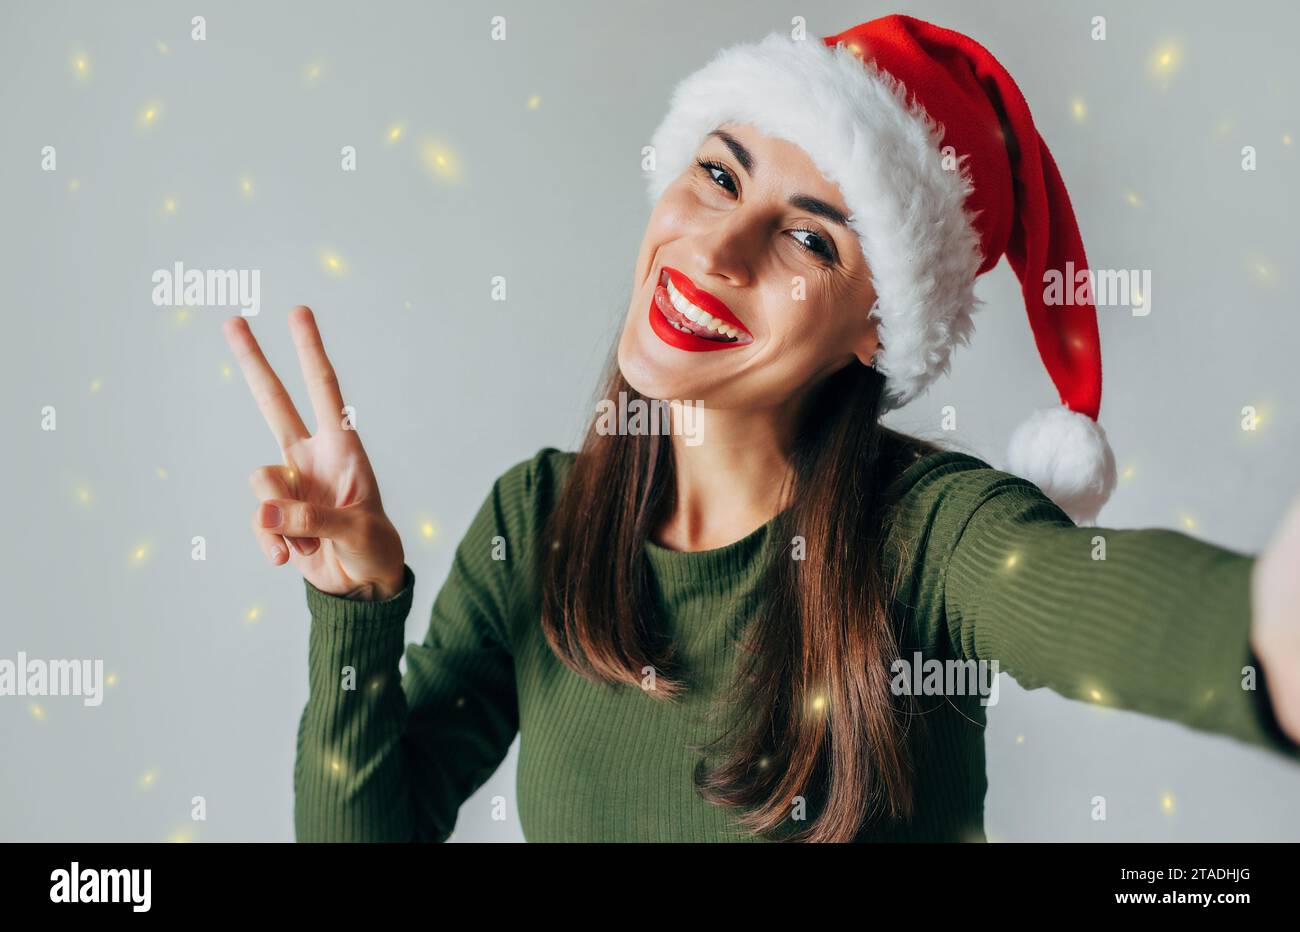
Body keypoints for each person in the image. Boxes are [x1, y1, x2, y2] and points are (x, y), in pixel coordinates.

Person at [223, 14, 1300, 842]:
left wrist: (1262, 635)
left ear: (876, 331)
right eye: (719, 174)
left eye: (810, 242)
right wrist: (353, 606)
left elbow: (1165, 623)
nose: (718, 250)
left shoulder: (930, 536)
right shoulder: (536, 517)